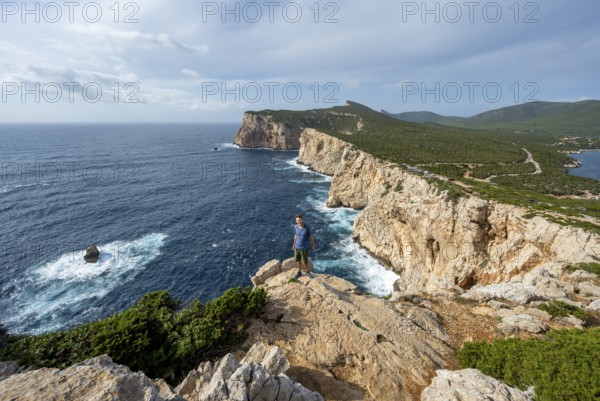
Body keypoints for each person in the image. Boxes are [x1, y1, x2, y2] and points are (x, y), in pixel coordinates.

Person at [291, 213, 315, 279]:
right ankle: (299, 272)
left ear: (303, 220)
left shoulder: (306, 228)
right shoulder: (295, 227)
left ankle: (307, 272)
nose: (299, 221)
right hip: (297, 247)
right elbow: (295, 236)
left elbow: (311, 237)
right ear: (296, 221)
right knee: (298, 260)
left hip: (304, 248)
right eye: (298, 220)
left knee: (305, 261)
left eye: (300, 220)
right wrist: (293, 244)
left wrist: (313, 245)